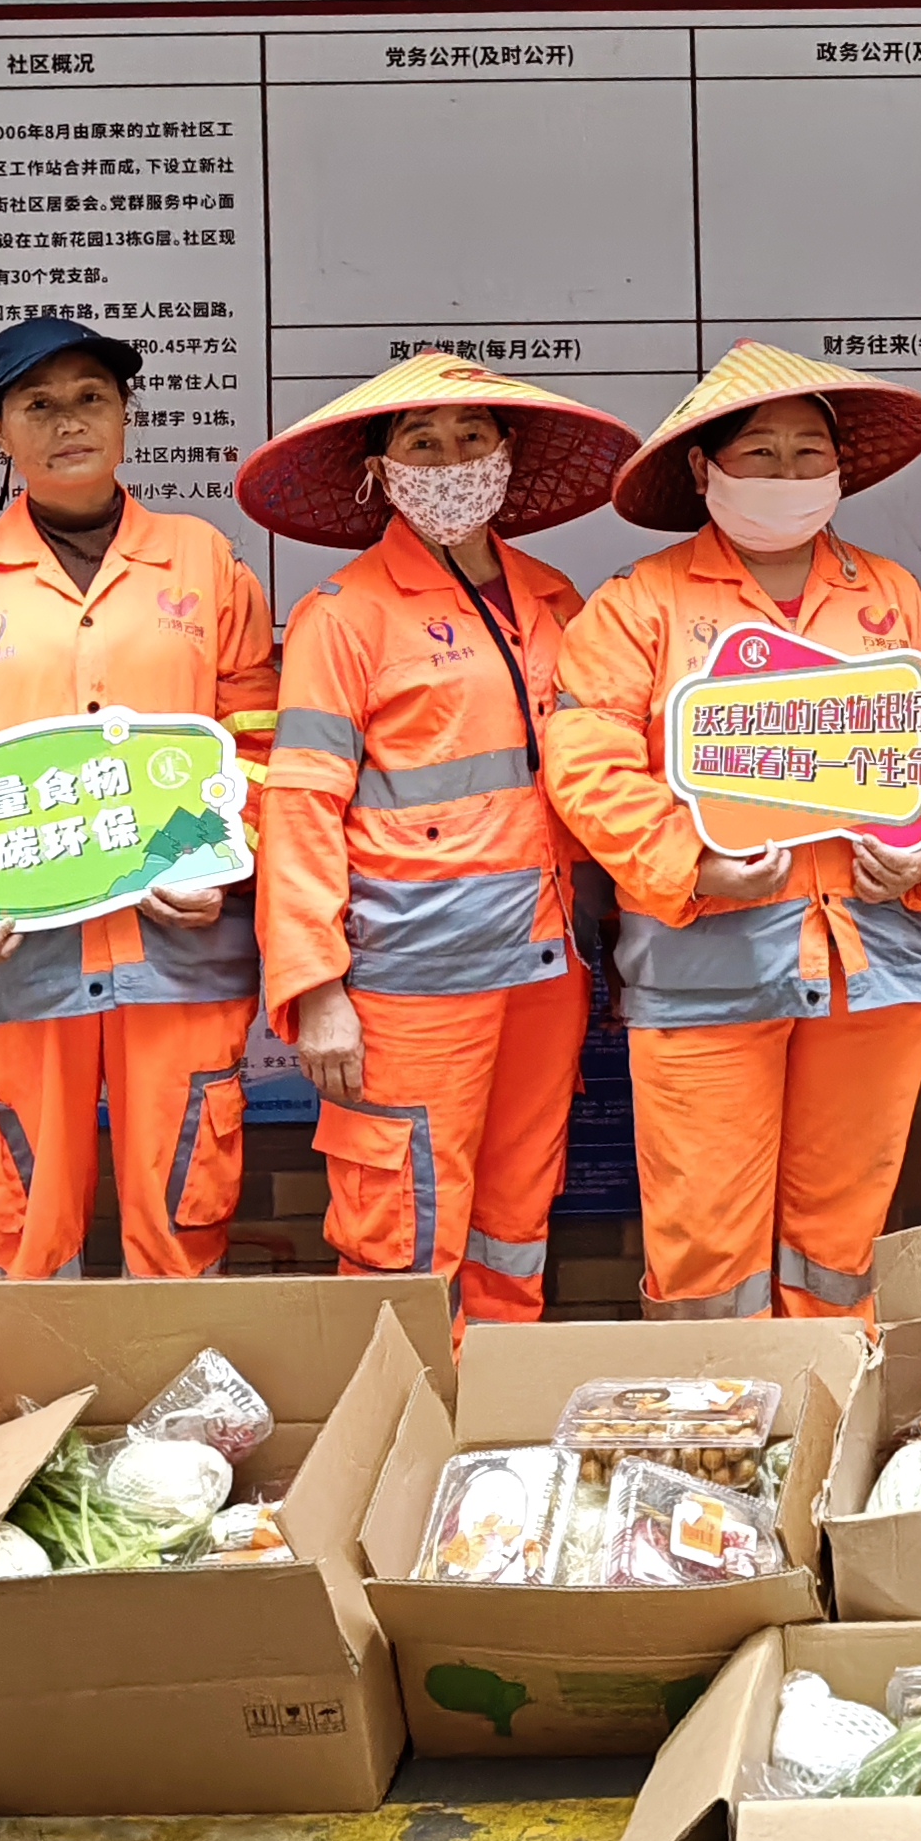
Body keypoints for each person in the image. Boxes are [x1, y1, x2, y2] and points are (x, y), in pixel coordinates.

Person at [545, 346, 921, 1320]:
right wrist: (693, 865)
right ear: (704, 470)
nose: (787, 474)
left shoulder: (892, 597)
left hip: (873, 968)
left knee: (841, 1241)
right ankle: (716, 1417)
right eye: (760, 452)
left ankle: (835, 1401)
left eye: (807, 452)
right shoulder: (641, 604)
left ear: (839, 469)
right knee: (706, 1245)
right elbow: (586, 764)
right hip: (706, 970)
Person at [0, 315, 280, 1281]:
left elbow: (258, 738)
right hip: (9, 954)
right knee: (23, 1218)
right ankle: (36, 1382)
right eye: (38, 405)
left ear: (126, 413)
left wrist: (227, 860)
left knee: (184, 1205)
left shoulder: (205, 562)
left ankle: (181, 1386)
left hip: (175, 943)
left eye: (92, 397)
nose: (69, 423)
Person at [239, 356, 636, 1325]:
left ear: (507, 454)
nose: (451, 460)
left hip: (547, 968)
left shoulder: (557, 600)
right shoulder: (346, 615)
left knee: (517, 1210)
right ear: (380, 471)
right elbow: (299, 806)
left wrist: (622, 936)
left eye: (471, 437)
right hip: (410, 983)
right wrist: (316, 990)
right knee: (401, 1220)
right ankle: (407, 1408)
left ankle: (494, 1395)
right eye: (422, 442)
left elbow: (597, 781)